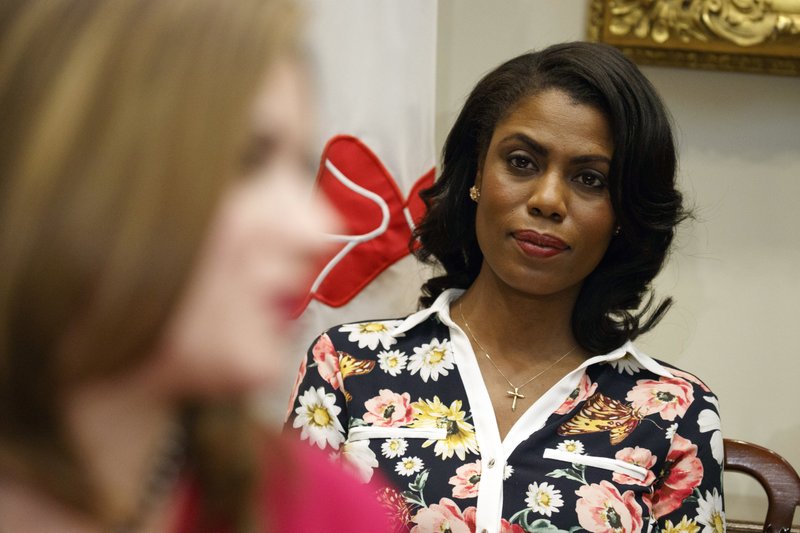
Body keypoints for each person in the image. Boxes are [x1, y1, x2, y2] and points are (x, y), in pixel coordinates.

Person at [285, 42, 724, 531]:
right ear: (476, 173)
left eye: (590, 179)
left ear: (624, 213)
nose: (548, 200)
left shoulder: (677, 410)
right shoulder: (344, 366)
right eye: (521, 162)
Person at [0, 0, 391, 531]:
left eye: (298, 170)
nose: (308, 227)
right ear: (71, 171)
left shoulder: (317, 510)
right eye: (247, 159)